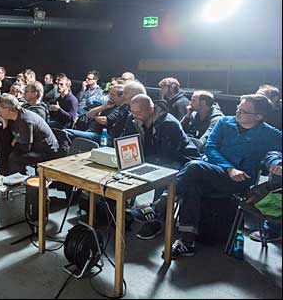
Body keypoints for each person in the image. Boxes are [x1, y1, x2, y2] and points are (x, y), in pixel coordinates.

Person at [156, 94, 281, 259]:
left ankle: (160, 205)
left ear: (259, 117)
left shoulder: (269, 134)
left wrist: (277, 163)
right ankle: (187, 241)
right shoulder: (224, 122)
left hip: (239, 181)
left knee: (194, 168)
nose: (237, 112)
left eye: (243, 111)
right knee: (193, 183)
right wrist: (229, 168)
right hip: (215, 172)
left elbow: (275, 153)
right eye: (238, 108)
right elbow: (210, 148)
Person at [123, 94, 201, 240]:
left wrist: (145, 164)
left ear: (151, 109)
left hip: (181, 161)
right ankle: (121, 213)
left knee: (161, 177)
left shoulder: (168, 123)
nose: (134, 115)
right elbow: (124, 140)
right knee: (123, 172)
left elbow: (168, 156)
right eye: (132, 111)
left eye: (138, 112)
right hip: (153, 159)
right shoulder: (133, 119)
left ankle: (156, 220)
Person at [0, 94, 59, 176]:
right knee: (1, 150)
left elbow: (26, 147)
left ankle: (15, 182)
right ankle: (2, 178)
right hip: (32, 145)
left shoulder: (25, 120)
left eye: (0, 108)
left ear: (8, 110)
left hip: (45, 150)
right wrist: (4, 122)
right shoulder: (12, 118)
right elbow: (5, 140)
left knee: (15, 157)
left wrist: (15, 143)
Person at [65, 84, 129, 144]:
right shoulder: (110, 104)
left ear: (121, 96)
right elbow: (89, 114)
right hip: (90, 130)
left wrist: (95, 117)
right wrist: (104, 106)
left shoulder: (120, 109)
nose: (109, 96)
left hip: (101, 136)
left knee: (66, 132)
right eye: (110, 94)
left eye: (112, 95)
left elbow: (104, 121)